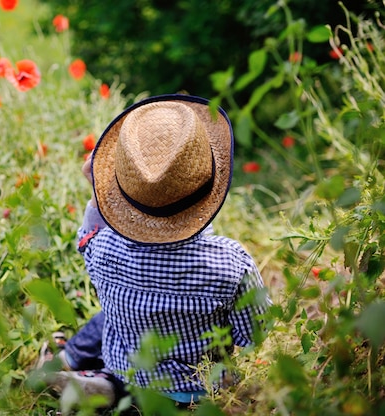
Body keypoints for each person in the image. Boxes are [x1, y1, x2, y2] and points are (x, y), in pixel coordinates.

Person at [41, 94, 270, 411]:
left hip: (131, 373)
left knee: (115, 317)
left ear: (124, 192)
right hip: (200, 391)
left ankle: (102, 380)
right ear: (212, 181)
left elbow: (87, 234)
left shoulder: (102, 249)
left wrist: (96, 190)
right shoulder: (231, 262)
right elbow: (255, 332)